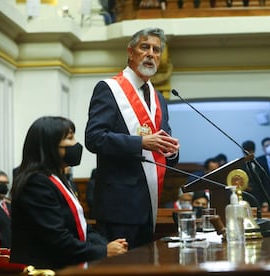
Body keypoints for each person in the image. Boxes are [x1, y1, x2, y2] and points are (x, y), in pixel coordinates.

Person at [85, 28, 180, 250]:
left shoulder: (158, 98)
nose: (151, 54)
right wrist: (140, 143)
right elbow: (94, 138)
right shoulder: (109, 89)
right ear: (130, 52)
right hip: (118, 207)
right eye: (144, 47)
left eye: (156, 50)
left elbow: (162, 141)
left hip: (149, 205)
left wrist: (171, 150)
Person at [10, 116, 128, 269]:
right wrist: (103, 251)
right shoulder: (35, 183)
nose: (75, 144)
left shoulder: (58, 179)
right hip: (44, 269)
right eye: (69, 138)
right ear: (50, 146)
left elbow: (81, 227)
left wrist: (109, 246)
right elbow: (57, 239)